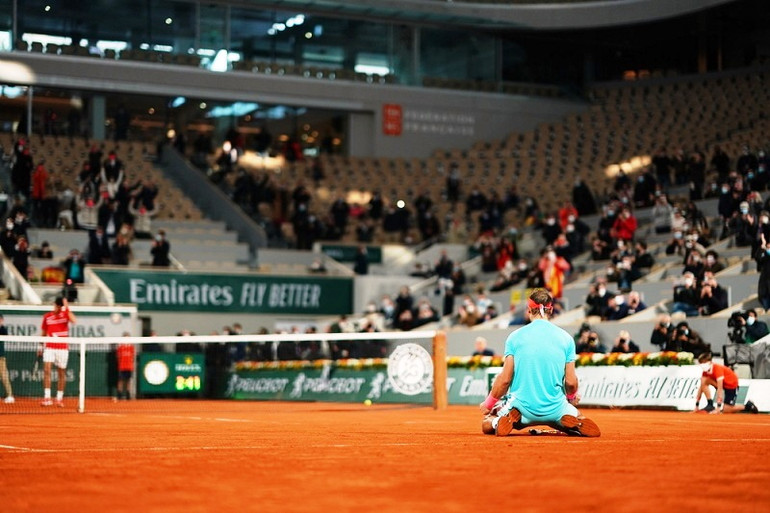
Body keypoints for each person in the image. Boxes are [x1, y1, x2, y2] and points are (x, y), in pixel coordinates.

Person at [480, 289, 600, 437]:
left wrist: (489, 404)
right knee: (579, 417)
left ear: (529, 310)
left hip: (521, 408)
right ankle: (574, 422)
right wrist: (571, 398)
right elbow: (571, 382)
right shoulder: (566, 339)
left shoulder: (514, 337)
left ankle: (501, 421)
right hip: (556, 407)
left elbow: (504, 380)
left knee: (487, 422)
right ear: (550, 310)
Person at [39, 297, 77, 407]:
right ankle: (47, 398)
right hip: (49, 347)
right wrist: (40, 347)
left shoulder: (65, 314)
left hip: (62, 348)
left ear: (60, 306)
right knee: (47, 371)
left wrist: (67, 307)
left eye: (57, 306)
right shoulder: (47, 317)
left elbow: (74, 320)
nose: (55, 307)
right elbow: (43, 333)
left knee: (61, 373)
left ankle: (59, 398)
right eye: (55, 305)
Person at [115, 333, 135, 400]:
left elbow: (133, 356)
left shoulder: (131, 347)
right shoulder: (120, 347)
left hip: (129, 367)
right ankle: (119, 394)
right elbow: (118, 356)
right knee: (120, 380)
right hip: (122, 367)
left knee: (128, 380)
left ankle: (128, 394)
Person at [0, 314, 15, 403]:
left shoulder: (3, 329)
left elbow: (5, 335)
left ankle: (10, 396)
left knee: (4, 376)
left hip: (0, 357)